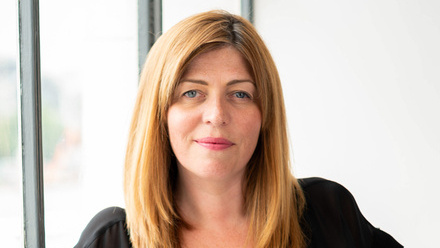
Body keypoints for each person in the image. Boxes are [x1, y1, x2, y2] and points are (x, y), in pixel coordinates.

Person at [75, 10, 402, 248]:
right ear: (160, 114)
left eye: (240, 94)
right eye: (192, 93)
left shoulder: (327, 212)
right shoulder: (112, 239)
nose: (216, 115)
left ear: (265, 115)